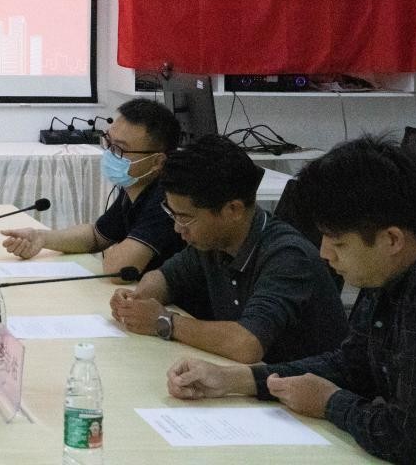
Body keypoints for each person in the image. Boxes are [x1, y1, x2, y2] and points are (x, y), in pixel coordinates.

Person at [167, 136, 416, 463]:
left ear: (392, 240)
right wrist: (238, 379)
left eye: (338, 243)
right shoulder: (390, 267)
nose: (324, 253)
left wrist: (331, 403)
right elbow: (353, 365)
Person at [110, 134, 347, 364]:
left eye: (185, 218)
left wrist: (165, 322)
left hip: (297, 386)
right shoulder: (213, 242)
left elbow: (247, 344)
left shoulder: (287, 256)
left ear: (233, 210)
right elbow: (165, 278)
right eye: (172, 214)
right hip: (247, 379)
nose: (177, 228)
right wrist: (137, 300)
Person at [0, 98, 184, 275]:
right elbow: (96, 236)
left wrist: (115, 253)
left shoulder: (168, 199)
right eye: (108, 141)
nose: (109, 153)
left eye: (119, 149)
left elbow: (117, 270)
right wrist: (41, 237)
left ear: (157, 162)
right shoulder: (134, 187)